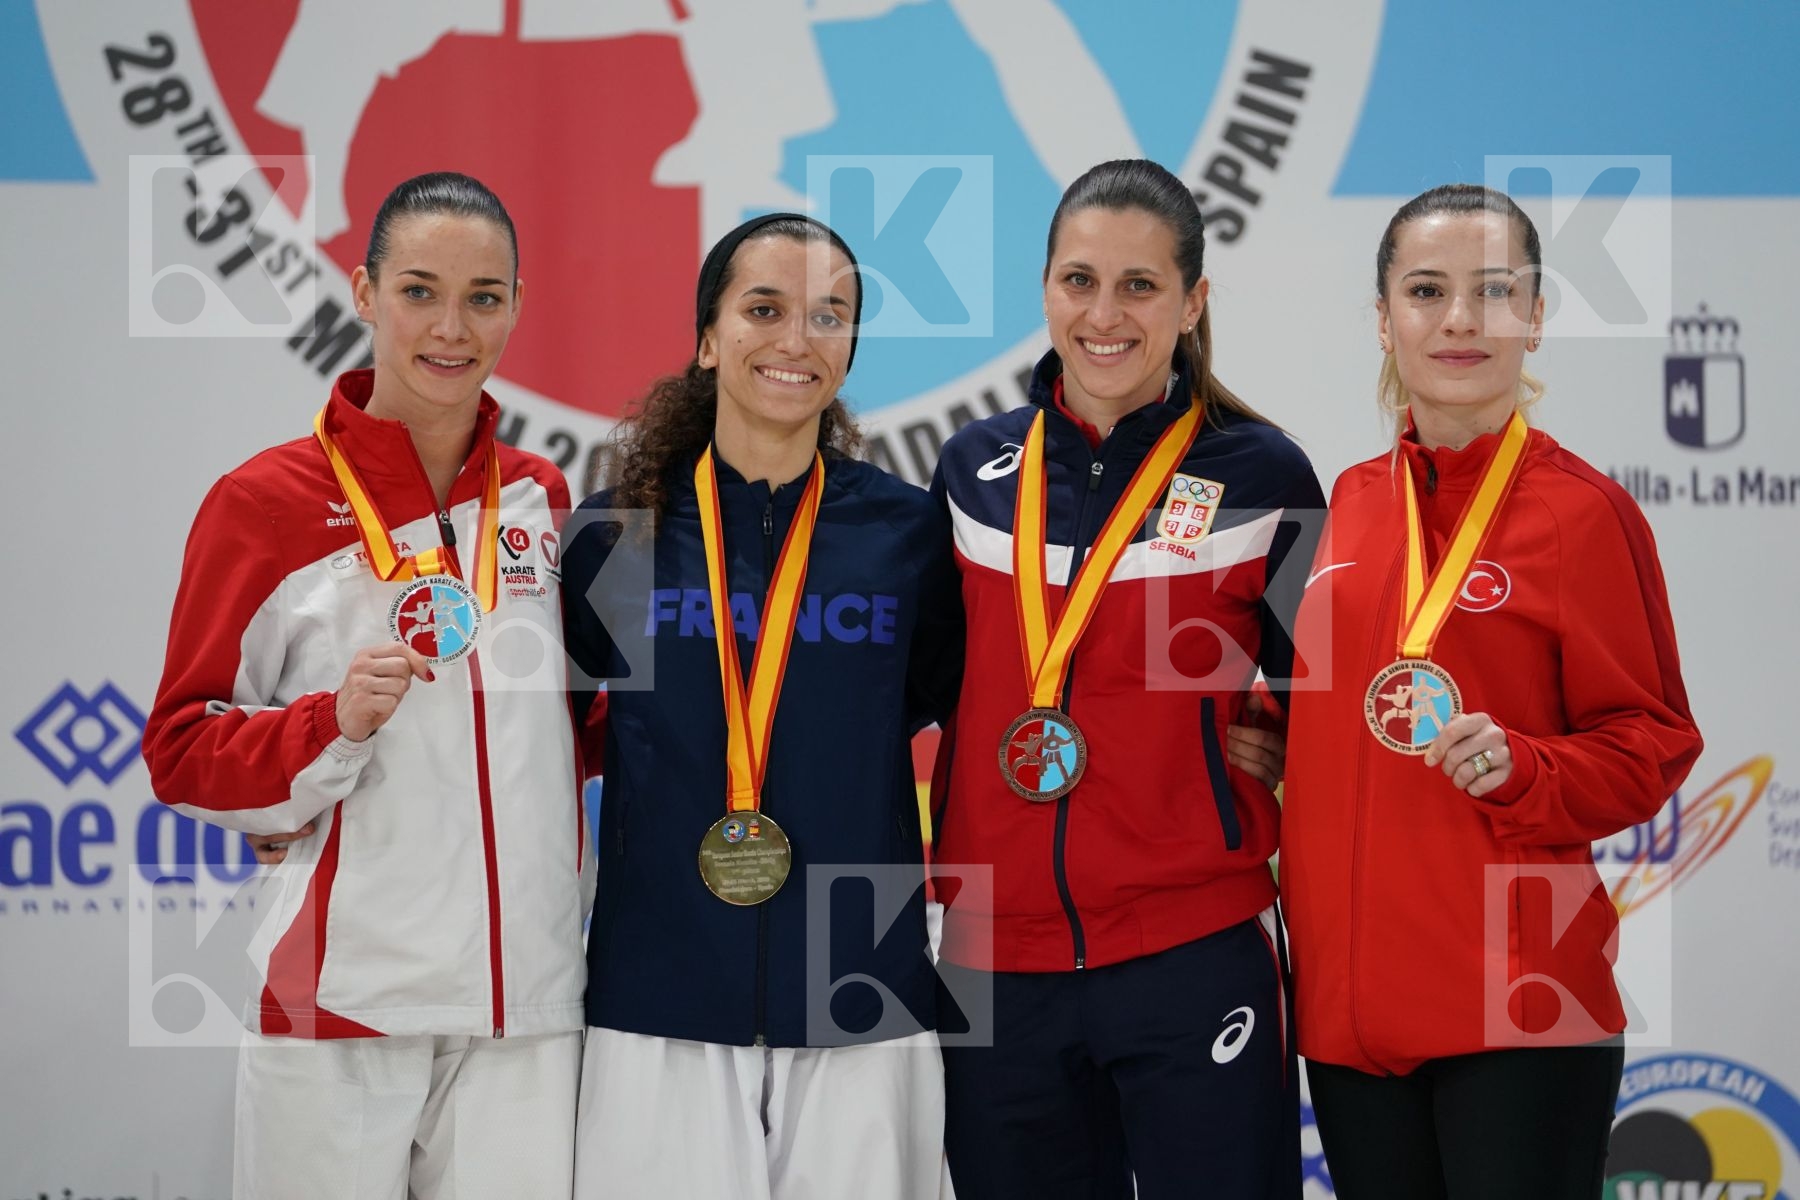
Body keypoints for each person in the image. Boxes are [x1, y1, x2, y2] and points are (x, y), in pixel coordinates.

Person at [143, 172, 591, 1200]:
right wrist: (325, 729)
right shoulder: (264, 503)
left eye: (484, 297)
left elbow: (567, 728)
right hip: (340, 1005)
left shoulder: (543, 496)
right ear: (364, 291)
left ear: (518, 305)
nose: (451, 327)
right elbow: (178, 751)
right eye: (419, 290)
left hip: (522, 1014)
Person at [1279, 184, 1704, 1199]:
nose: (1460, 318)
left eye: (1494, 291)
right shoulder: (1346, 504)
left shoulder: (1583, 512)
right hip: (1347, 1017)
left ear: (1537, 316)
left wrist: (1528, 765)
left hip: (1522, 1008)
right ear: (1384, 318)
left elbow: (1653, 742)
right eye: (1427, 291)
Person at [928, 158, 1324, 1199]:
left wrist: (1286, 738)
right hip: (995, 957)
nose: (1105, 314)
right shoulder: (971, 471)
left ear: (1192, 302)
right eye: (1079, 280)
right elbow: (914, 682)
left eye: (1140, 286)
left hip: (1191, 948)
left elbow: (1324, 686)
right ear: (1047, 288)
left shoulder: (1267, 475)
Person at [559, 213, 964, 1200]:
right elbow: (548, 737)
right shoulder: (618, 534)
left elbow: (938, 705)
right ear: (707, 338)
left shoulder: (908, 533)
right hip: (660, 986)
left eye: (829, 317)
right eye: (764, 309)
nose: (796, 340)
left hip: (861, 987)